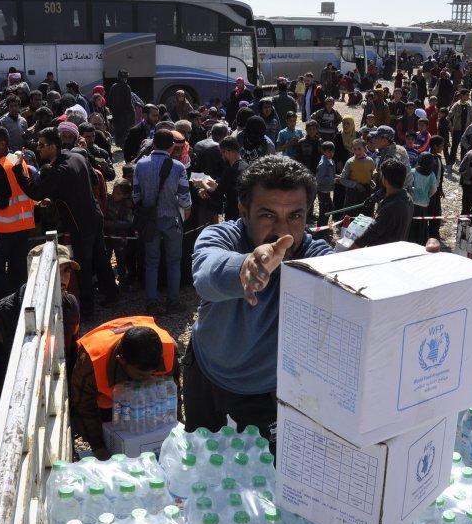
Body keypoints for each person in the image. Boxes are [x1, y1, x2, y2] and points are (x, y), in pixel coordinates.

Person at [183, 155, 332, 446]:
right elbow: (206, 275)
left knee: (259, 478)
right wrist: (246, 268)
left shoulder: (314, 255)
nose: (283, 231)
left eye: (295, 216)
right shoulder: (221, 236)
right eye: (268, 215)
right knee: (199, 463)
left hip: (266, 392)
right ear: (243, 211)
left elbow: (350, 278)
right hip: (204, 374)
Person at [0, 244, 80, 432]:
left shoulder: (70, 306)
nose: (64, 279)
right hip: (18, 414)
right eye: (56, 271)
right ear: (35, 274)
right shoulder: (0, 316)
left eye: (67, 271)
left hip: (58, 406)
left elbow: (73, 358)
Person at [13, 128, 118, 316]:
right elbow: (93, 179)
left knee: (83, 264)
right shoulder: (77, 157)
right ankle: (112, 293)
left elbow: (36, 192)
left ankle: (87, 309)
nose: (38, 148)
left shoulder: (59, 170)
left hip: (79, 222)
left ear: (53, 147)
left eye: (42, 145)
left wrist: (17, 169)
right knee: (101, 257)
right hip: (94, 214)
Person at [71, 317, 179, 460]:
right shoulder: (90, 364)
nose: (148, 380)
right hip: (107, 405)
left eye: (152, 373)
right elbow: (84, 407)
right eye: (141, 374)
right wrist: (98, 447)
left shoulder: (168, 348)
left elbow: (174, 391)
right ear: (121, 360)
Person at [133, 129, 192, 316]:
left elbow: (135, 196)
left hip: (149, 221)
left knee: (151, 261)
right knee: (174, 261)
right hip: (172, 219)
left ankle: (151, 303)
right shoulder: (178, 167)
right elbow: (184, 199)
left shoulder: (140, 166)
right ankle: (172, 303)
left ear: (154, 144)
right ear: (173, 145)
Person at [0, 126, 34, 298]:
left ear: (2, 143)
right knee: (19, 268)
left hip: (4, 228)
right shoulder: (16, 158)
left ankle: (6, 304)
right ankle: (22, 301)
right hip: (23, 225)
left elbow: (2, 202)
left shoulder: (0, 168)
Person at [351, 159, 412, 248]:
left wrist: (345, 253)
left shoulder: (390, 208)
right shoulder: (408, 198)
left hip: (381, 254)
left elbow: (367, 236)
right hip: (397, 249)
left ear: (384, 180)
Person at [199, 136, 247, 221]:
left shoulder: (230, 171)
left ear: (227, 152)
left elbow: (217, 194)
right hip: (246, 213)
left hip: (234, 214)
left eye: (222, 153)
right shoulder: (247, 166)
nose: (222, 156)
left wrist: (204, 186)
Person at [104, 180, 134, 291]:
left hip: (120, 238)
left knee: (121, 262)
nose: (114, 195)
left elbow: (128, 223)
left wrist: (110, 223)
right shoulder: (109, 200)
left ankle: (123, 283)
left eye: (118, 193)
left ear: (125, 195)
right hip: (107, 236)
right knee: (106, 259)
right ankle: (108, 283)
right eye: (114, 192)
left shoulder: (126, 206)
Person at [409, 152, 438, 244]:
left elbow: (408, 186)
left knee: (411, 225)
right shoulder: (431, 174)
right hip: (424, 204)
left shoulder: (412, 171)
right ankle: (421, 243)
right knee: (422, 227)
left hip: (412, 203)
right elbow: (434, 189)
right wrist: (427, 196)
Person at [315, 142, 336, 226]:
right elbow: (320, 179)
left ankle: (324, 226)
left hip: (327, 190)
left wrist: (338, 176)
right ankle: (320, 230)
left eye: (332, 152)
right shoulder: (323, 163)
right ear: (323, 152)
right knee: (324, 211)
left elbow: (330, 174)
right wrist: (333, 180)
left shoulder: (330, 160)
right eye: (328, 152)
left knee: (330, 208)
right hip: (322, 190)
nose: (330, 154)